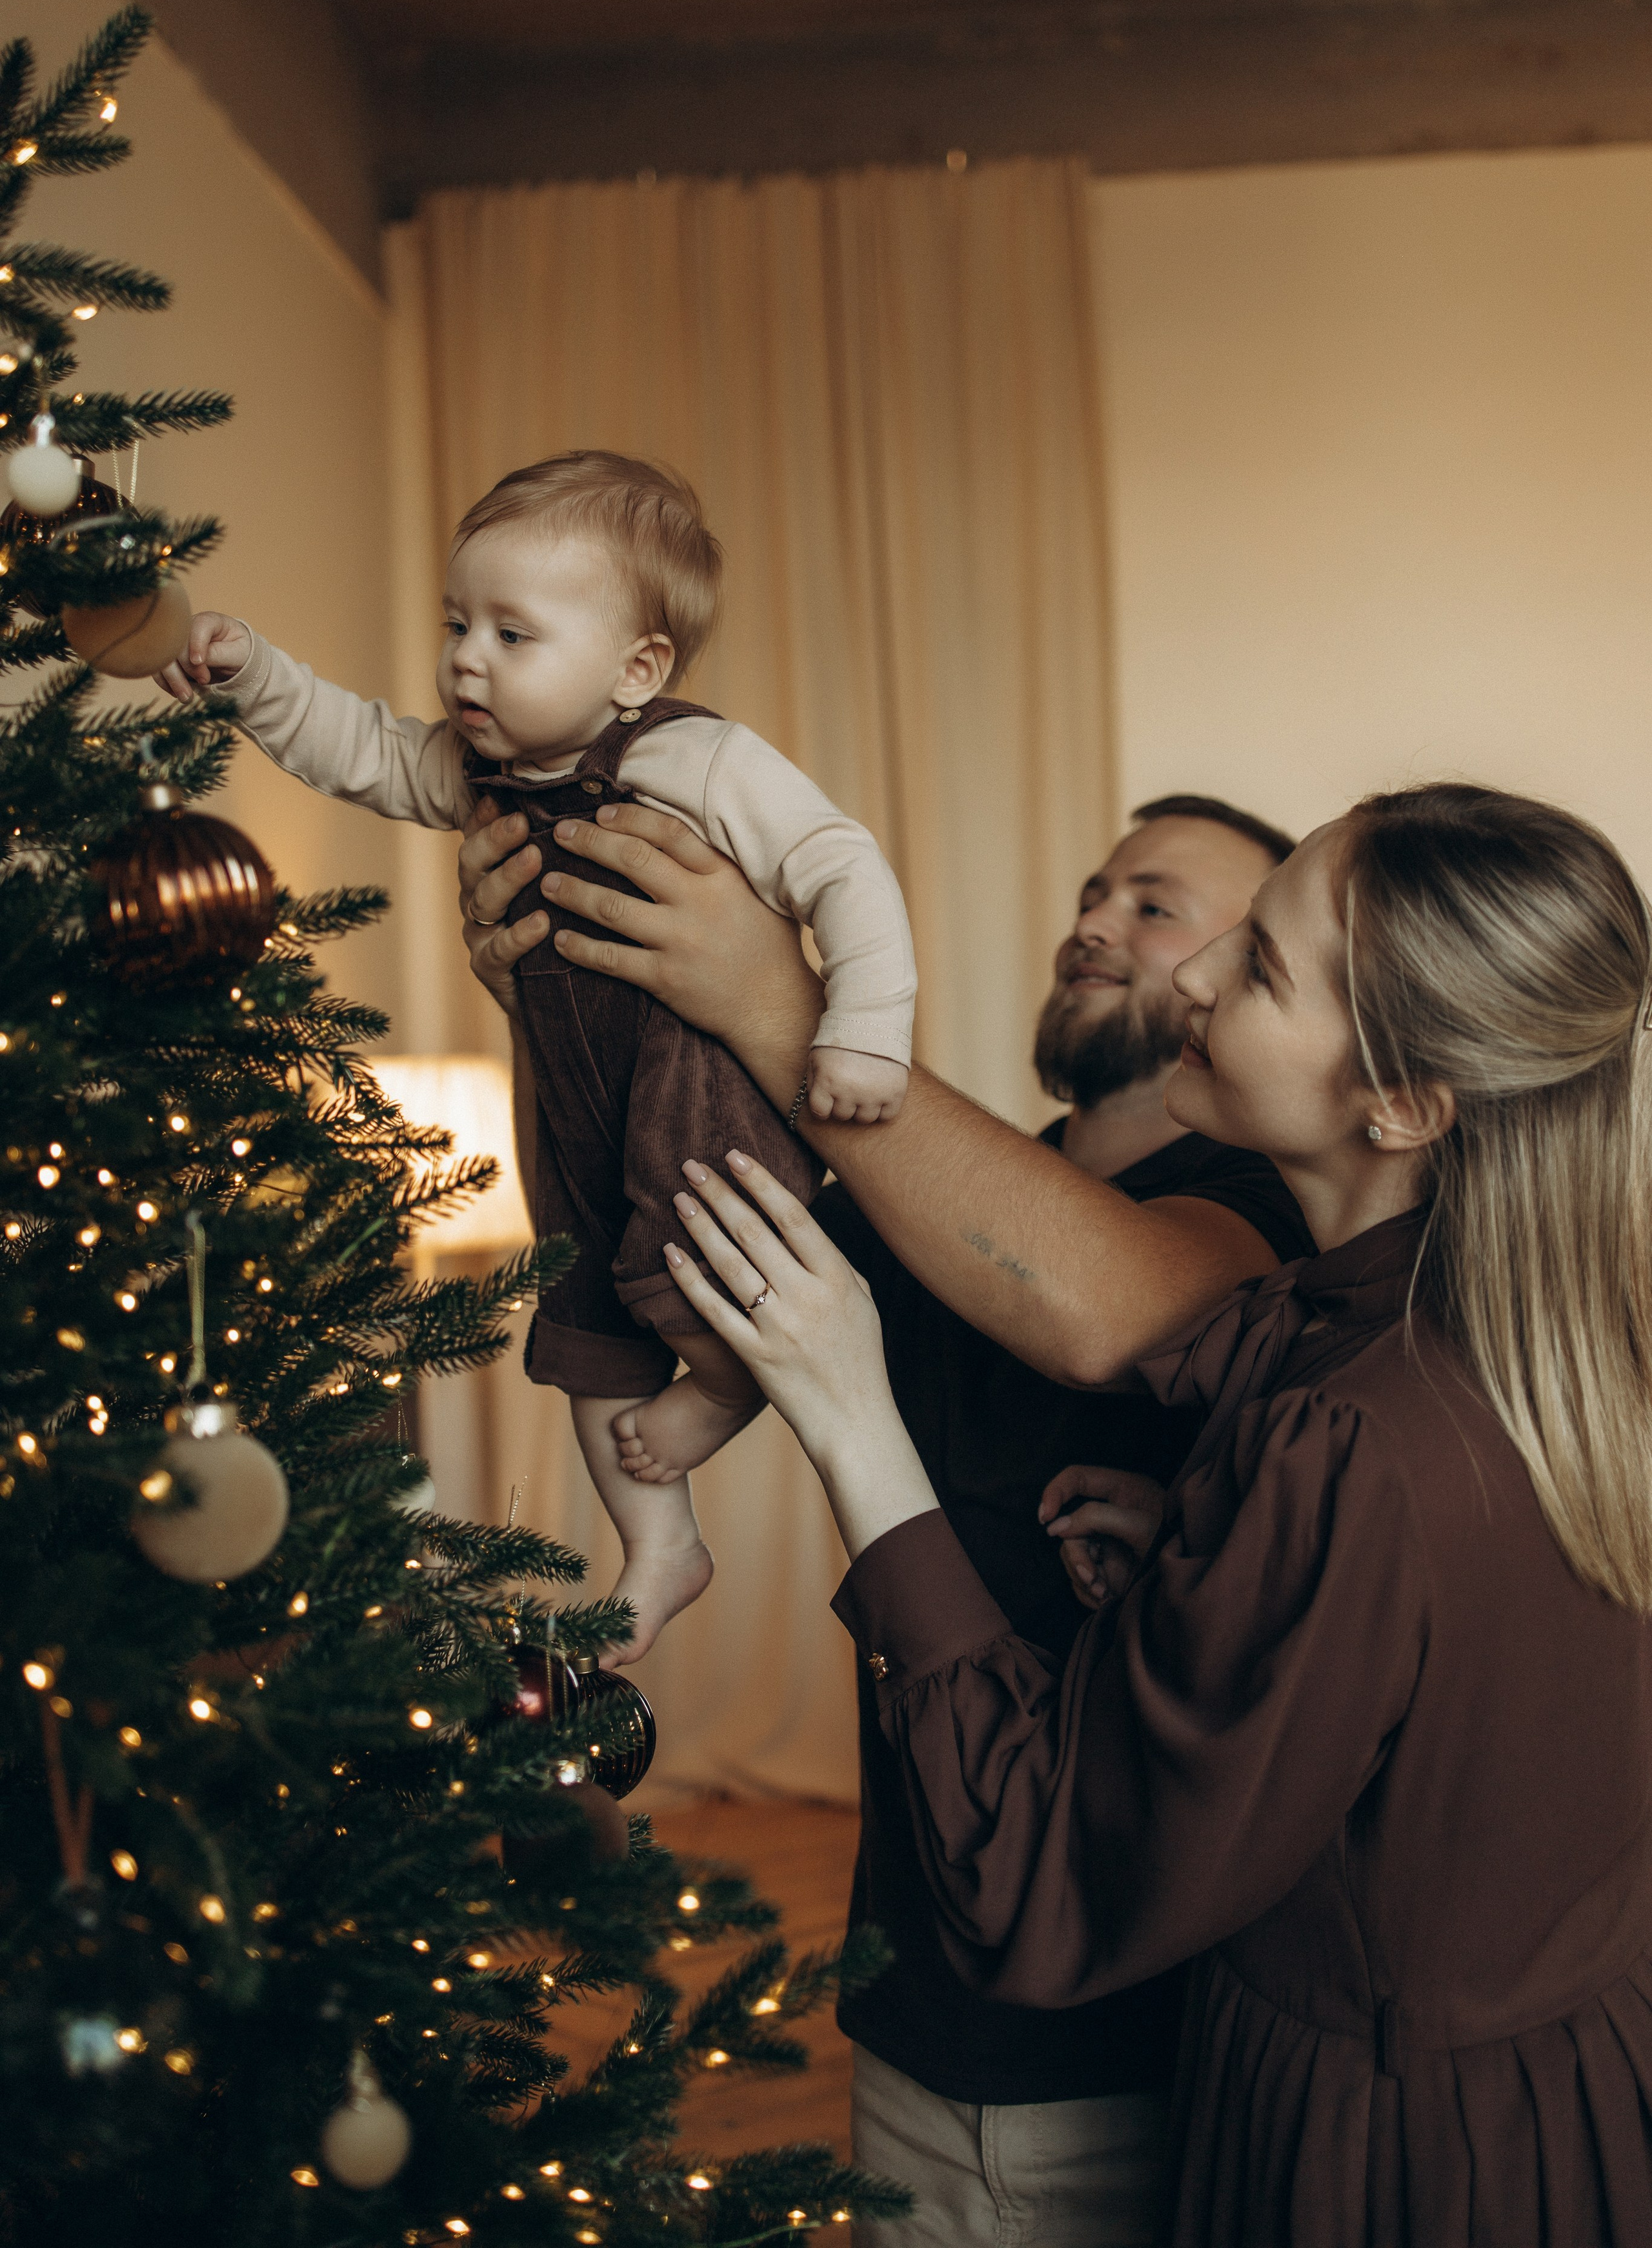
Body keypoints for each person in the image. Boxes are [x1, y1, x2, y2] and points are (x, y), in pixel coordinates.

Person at [636, 783, 1652, 2247]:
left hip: (1379, 2161)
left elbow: (1040, 1888)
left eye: (1258, 964)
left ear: (1403, 1102)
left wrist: (850, 1418)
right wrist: (1214, 1557)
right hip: (1567, 2100)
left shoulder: (1348, 1432)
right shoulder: (1531, 1340)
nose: (1189, 973)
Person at [457, 792, 1315, 2243]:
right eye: (1094, 888)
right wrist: (560, 993)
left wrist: (771, 993)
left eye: (1155, 904)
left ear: (1244, 980)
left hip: (1132, 2035)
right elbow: (651, 1215)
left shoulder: (1265, 1210)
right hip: (916, 1984)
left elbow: (1107, 1310)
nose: (1092, 921)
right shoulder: (944, 1182)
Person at [154, 450, 917, 1659]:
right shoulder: (475, 774)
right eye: (458, 623)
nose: (466, 658)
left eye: (514, 634)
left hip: (692, 1079)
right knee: (577, 1312)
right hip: (561, 1094)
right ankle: (661, 1540)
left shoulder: (697, 762)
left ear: (638, 669)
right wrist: (255, 678)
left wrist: (866, 1032)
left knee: (705, 1248)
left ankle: (724, 1388)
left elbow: (843, 866)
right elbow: (356, 746)